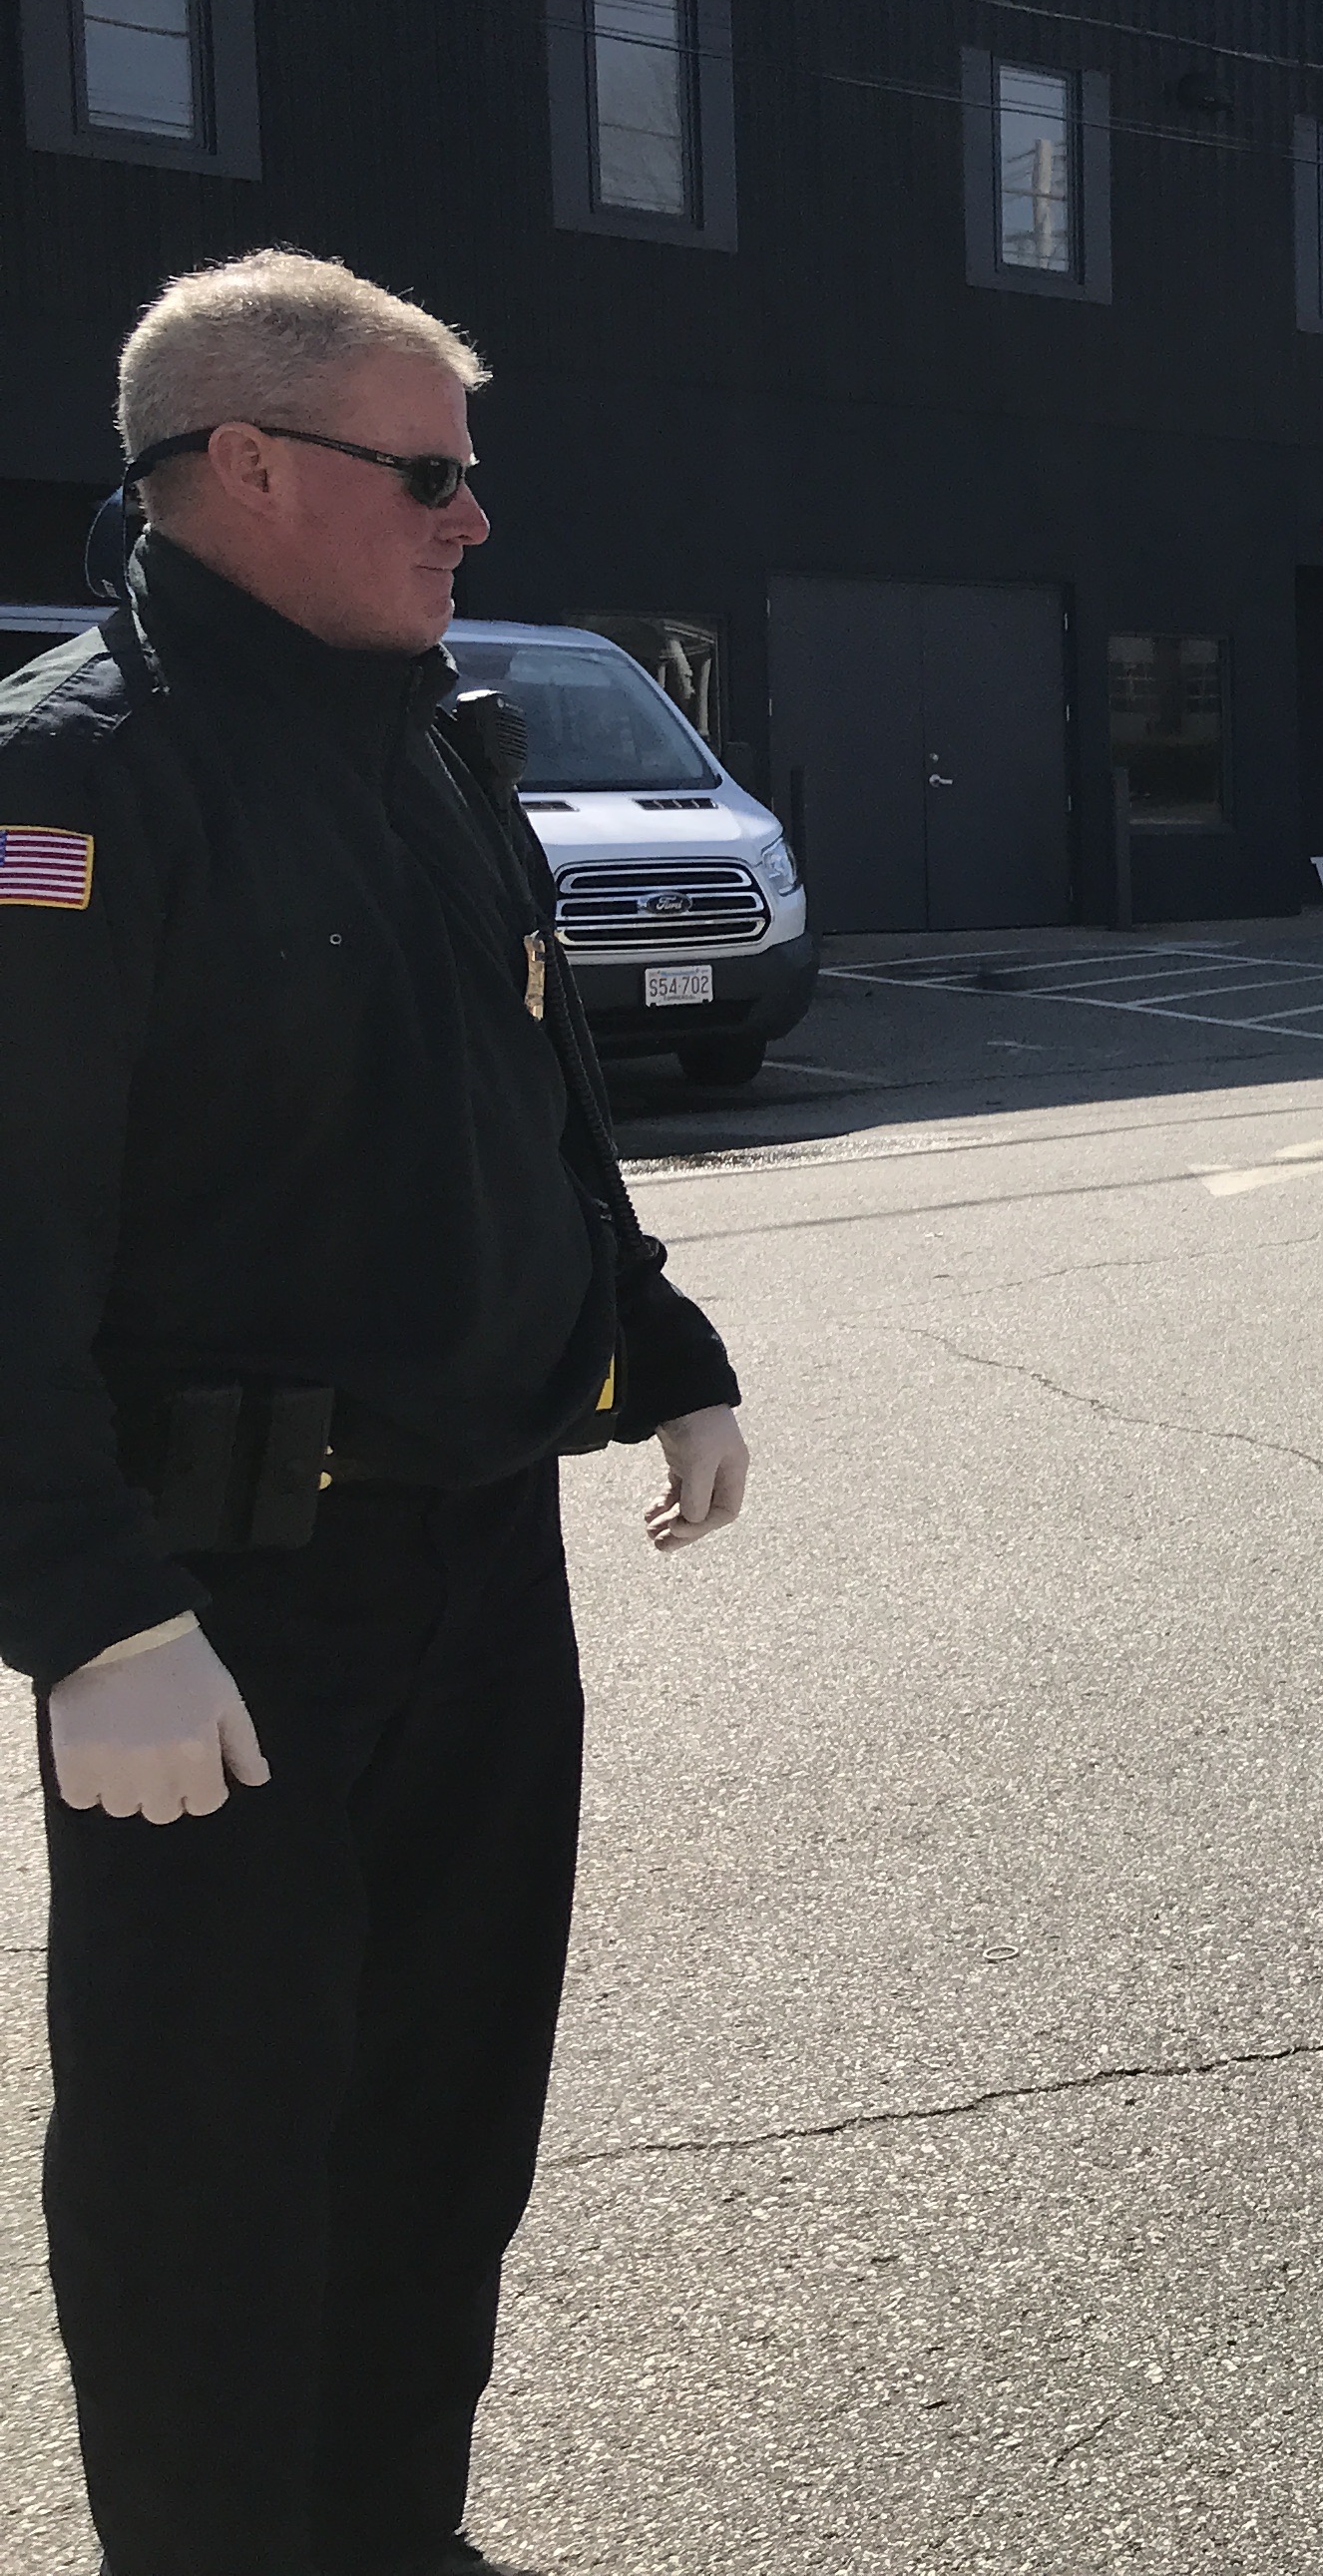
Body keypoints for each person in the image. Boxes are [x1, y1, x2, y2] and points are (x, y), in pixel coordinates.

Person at [0, 250, 753, 2576]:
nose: (473, 519)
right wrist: (87, 1616)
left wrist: (660, 1339)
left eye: (472, 472)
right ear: (240, 464)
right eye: (427, 472)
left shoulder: (422, 741)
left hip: (474, 1573)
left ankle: (386, 2539)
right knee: (213, 2171)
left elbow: (535, 1095)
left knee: (439, 2134)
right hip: (224, 1621)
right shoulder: (73, 784)